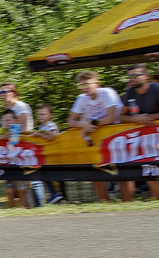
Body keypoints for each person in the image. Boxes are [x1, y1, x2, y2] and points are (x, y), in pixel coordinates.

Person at [66, 70, 123, 202]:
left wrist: (91, 123)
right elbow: (71, 121)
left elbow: (110, 118)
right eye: (81, 85)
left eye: (87, 84)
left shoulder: (107, 92)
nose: (84, 87)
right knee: (95, 169)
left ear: (97, 83)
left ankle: (127, 202)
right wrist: (84, 125)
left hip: (116, 135)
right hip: (96, 136)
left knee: (121, 171)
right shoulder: (81, 98)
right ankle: (104, 202)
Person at [119, 64, 159, 203]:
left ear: (146, 76)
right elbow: (121, 117)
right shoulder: (130, 92)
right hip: (142, 139)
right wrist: (136, 118)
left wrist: (151, 117)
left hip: (155, 136)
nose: (132, 79)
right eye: (130, 76)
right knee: (149, 173)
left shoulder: (156, 89)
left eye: (136, 75)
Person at [30, 104, 65, 204]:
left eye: (43, 114)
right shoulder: (41, 127)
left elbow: (51, 137)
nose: (40, 116)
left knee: (54, 177)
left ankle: (58, 194)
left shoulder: (50, 125)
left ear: (50, 115)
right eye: (39, 114)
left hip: (54, 155)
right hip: (46, 156)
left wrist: (39, 135)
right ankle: (53, 194)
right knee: (45, 176)